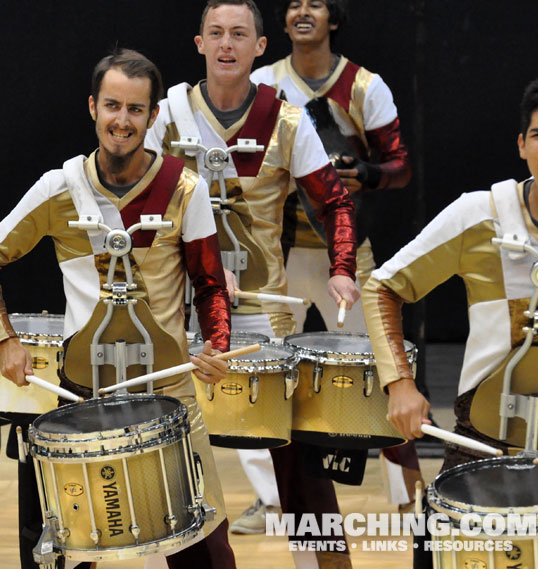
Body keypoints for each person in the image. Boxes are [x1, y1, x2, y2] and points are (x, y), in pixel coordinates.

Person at [0, 48, 237, 569]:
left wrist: (217, 345)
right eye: (112, 106)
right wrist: (6, 340)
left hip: (170, 390)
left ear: (153, 116)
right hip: (81, 392)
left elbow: (210, 285)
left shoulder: (187, 189)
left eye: (136, 110)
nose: (122, 120)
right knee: (72, 548)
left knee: (204, 548)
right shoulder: (58, 187)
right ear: (92, 107)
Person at [145, 1, 357, 567]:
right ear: (198, 43)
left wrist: (342, 268)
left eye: (239, 34)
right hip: (185, 308)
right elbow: (139, 200)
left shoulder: (287, 120)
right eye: (216, 33)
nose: (226, 45)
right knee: (176, 450)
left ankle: (323, 563)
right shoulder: (166, 116)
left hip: (265, 312)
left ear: (261, 48)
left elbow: (333, 200)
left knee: (295, 456)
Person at [362, 71, 538, 568]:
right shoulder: (479, 212)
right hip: (481, 439)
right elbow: (383, 286)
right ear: (521, 145)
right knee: (435, 555)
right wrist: (399, 384)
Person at [241, 0, 419, 532]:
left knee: (389, 371)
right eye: (293, 4)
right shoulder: (263, 83)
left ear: (333, 18)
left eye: (314, 4)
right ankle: (270, 499)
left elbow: (401, 167)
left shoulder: (366, 86)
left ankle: (409, 499)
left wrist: (364, 172)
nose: (302, 12)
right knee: (263, 371)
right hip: (279, 255)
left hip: (350, 254)